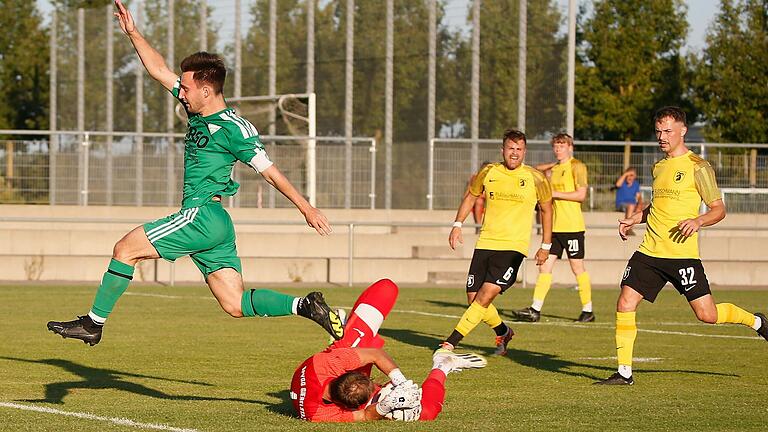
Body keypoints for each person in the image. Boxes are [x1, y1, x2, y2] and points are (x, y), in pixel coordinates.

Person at [46, 0, 344, 346]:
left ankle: (93, 323)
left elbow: (270, 172)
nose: (181, 94)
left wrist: (306, 208)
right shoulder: (198, 111)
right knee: (234, 304)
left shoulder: (234, 128)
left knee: (125, 249)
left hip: (201, 215)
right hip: (215, 223)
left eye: (186, 88)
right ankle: (306, 306)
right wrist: (133, 33)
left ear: (206, 89)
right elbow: (159, 70)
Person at [596, 106, 768, 385]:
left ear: (682, 131)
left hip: (682, 255)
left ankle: (757, 321)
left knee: (707, 315)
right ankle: (624, 372)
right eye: (658, 131)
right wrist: (633, 220)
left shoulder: (698, 167)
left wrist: (699, 221)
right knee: (625, 302)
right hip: (650, 252)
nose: (661, 137)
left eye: (667, 131)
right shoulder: (659, 166)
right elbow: (658, 206)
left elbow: (718, 209)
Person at [291, 279, 487, 422]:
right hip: (338, 379)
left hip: (338, 354)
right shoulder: (318, 414)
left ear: (344, 373)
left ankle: (343, 332)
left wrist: (400, 381)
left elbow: (376, 355)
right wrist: (386, 406)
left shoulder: (327, 364)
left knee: (386, 288)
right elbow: (366, 415)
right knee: (425, 412)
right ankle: (443, 365)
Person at [439, 129, 553, 355]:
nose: (515, 153)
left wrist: (545, 245)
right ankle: (504, 331)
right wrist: (457, 225)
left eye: (519, 149)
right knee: (474, 299)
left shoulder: (535, 178)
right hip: (486, 243)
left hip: (513, 248)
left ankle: (450, 342)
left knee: (486, 294)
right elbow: (471, 196)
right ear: (503, 150)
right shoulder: (488, 172)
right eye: (511, 148)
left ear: (525, 152)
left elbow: (547, 210)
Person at [514, 133, 594, 323]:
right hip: (554, 228)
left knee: (577, 267)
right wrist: (549, 167)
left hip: (572, 226)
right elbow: (534, 170)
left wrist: (553, 192)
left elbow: (581, 195)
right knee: (545, 267)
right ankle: (535, 309)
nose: (558, 149)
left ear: (570, 147)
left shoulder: (578, 166)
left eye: (562, 146)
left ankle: (588, 310)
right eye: (556, 146)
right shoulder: (554, 168)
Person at [470, 161, 492, 229]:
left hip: (491, 198)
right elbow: (471, 192)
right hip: (481, 199)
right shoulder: (476, 177)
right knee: (479, 201)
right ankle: (479, 226)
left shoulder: (495, 178)